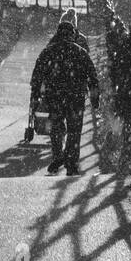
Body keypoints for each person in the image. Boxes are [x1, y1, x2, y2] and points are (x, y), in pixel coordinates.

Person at [30, 11, 99, 175]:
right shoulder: (80, 52)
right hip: (76, 96)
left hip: (54, 96)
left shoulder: (49, 51)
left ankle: (58, 156)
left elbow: (37, 74)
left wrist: (36, 95)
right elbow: (92, 76)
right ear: (72, 34)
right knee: (75, 130)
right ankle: (71, 162)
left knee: (56, 127)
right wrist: (95, 98)